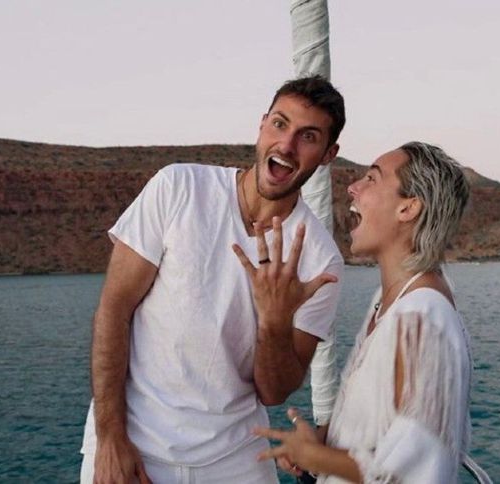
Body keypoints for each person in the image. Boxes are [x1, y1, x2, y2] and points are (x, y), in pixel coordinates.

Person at [79, 76, 346, 483]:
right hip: (136, 444)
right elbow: (114, 310)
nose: (286, 145)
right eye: (280, 124)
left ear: (328, 155)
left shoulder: (320, 259)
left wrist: (274, 320)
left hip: (236, 459)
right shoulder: (179, 187)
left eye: (308, 136)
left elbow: (274, 392)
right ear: (262, 125)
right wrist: (110, 437)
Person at [249, 142, 472, 483]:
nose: (353, 187)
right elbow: (379, 429)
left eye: (372, 179)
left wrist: (314, 456)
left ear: (408, 208)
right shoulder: (390, 301)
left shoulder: (422, 319)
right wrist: (321, 444)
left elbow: (419, 473)